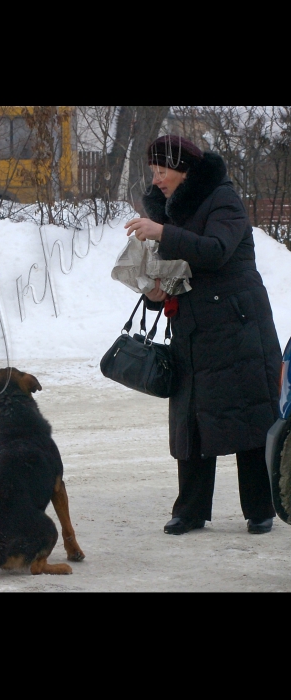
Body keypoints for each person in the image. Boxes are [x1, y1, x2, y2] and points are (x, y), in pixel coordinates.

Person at [124, 135, 282, 535]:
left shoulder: (222, 198)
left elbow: (215, 250)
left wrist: (161, 232)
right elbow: (173, 268)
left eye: (163, 171)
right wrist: (155, 294)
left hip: (238, 323)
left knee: (246, 414)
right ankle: (190, 510)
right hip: (191, 326)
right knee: (190, 418)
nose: (157, 180)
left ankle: (259, 509)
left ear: (184, 170)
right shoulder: (166, 208)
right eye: (154, 172)